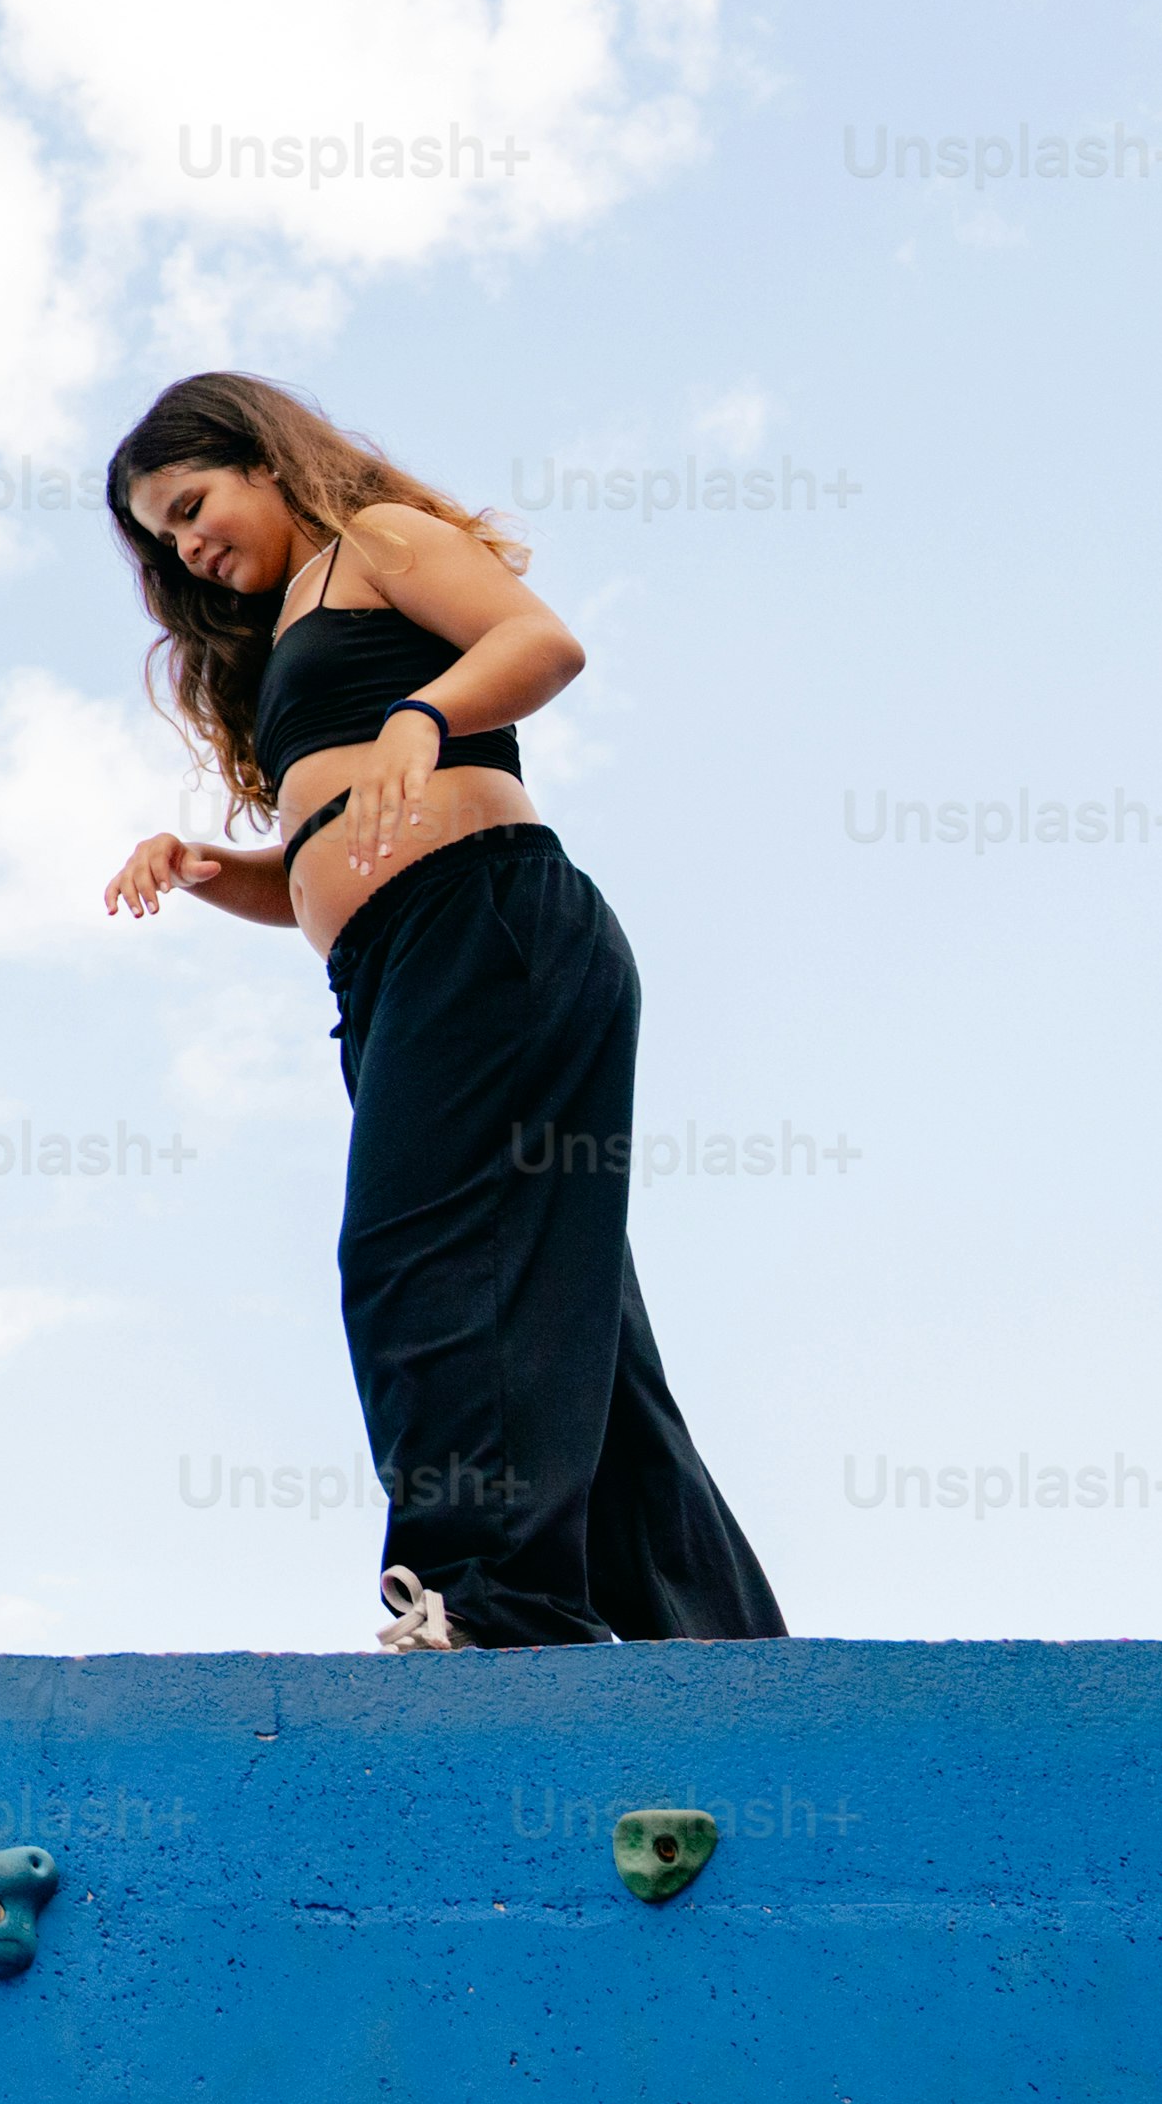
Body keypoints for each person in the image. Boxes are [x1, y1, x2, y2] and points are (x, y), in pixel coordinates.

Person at [95, 370, 780, 1653]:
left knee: (419, 1262)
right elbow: (322, 852)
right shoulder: (279, 633)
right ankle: (719, 1646)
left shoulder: (375, 543)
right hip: (395, 970)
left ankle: (484, 1599)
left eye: (191, 503)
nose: (185, 544)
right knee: (578, 1330)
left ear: (262, 459)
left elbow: (539, 642)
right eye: (160, 536)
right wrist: (211, 867)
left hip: (491, 927)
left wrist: (426, 712)